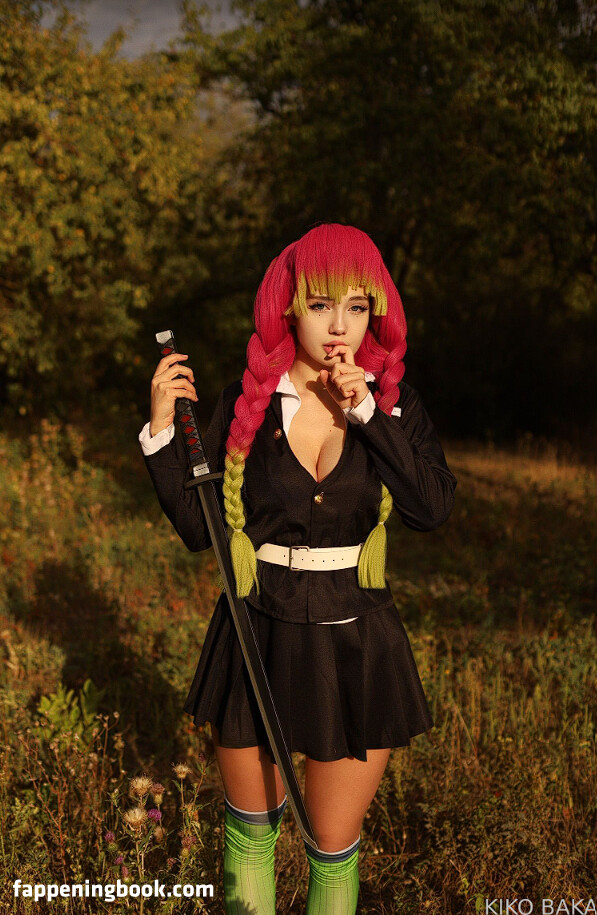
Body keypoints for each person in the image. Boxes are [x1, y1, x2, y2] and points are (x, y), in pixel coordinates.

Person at [138, 222, 457, 914]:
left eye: (356, 306)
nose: (339, 326)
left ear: (374, 312)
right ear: (289, 308)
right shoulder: (249, 402)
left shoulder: (394, 403)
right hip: (256, 634)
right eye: (320, 304)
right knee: (250, 839)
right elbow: (198, 529)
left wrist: (367, 411)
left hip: (358, 646)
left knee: (332, 850)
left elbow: (430, 509)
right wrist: (162, 431)